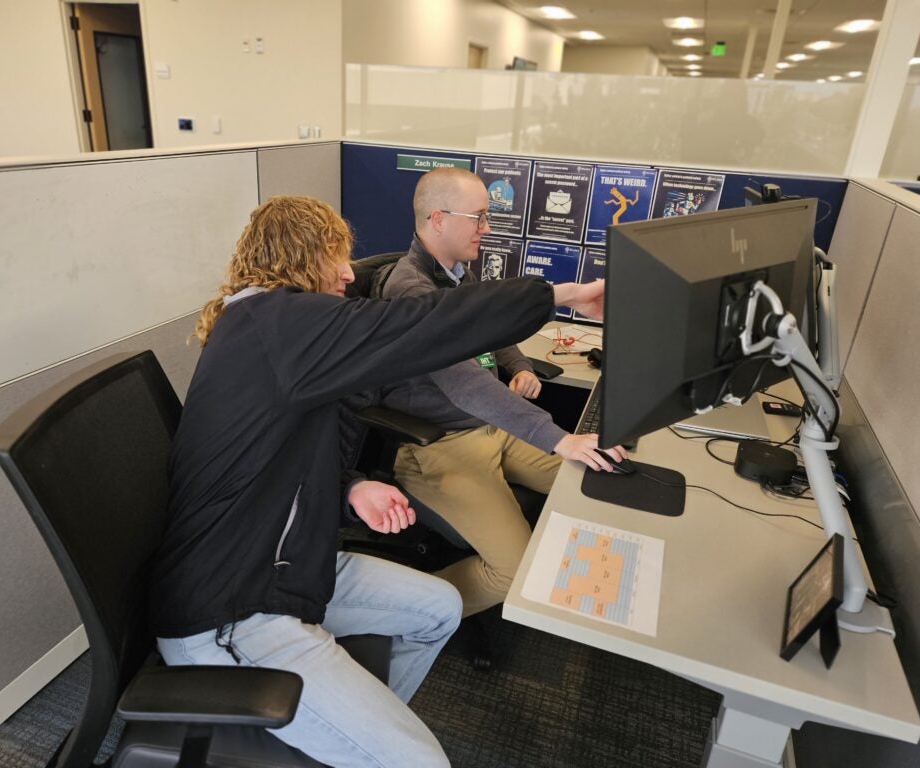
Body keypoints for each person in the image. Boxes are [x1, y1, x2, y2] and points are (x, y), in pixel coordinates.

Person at [147, 195, 612, 768]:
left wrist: (351, 488)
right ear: (296, 258)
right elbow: (424, 323)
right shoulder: (275, 323)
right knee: (423, 762)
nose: (349, 273)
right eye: (335, 257)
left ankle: (353, 740)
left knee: (438, 606)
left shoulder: (273, 334)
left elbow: (281, 458)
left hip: (290, 563)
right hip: (231, 609)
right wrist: (562, 294)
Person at [379, 167, 627, 619]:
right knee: (515, 571)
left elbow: (496, 329)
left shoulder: (457, 276)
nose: (487, 229)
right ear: (438, 219)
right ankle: (396, 618)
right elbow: (464, 382)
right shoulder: (409, 292)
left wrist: (519, 366)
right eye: (478, 218)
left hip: (489, 428)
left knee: (595, 482)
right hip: (437, 446)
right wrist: (558, 437)